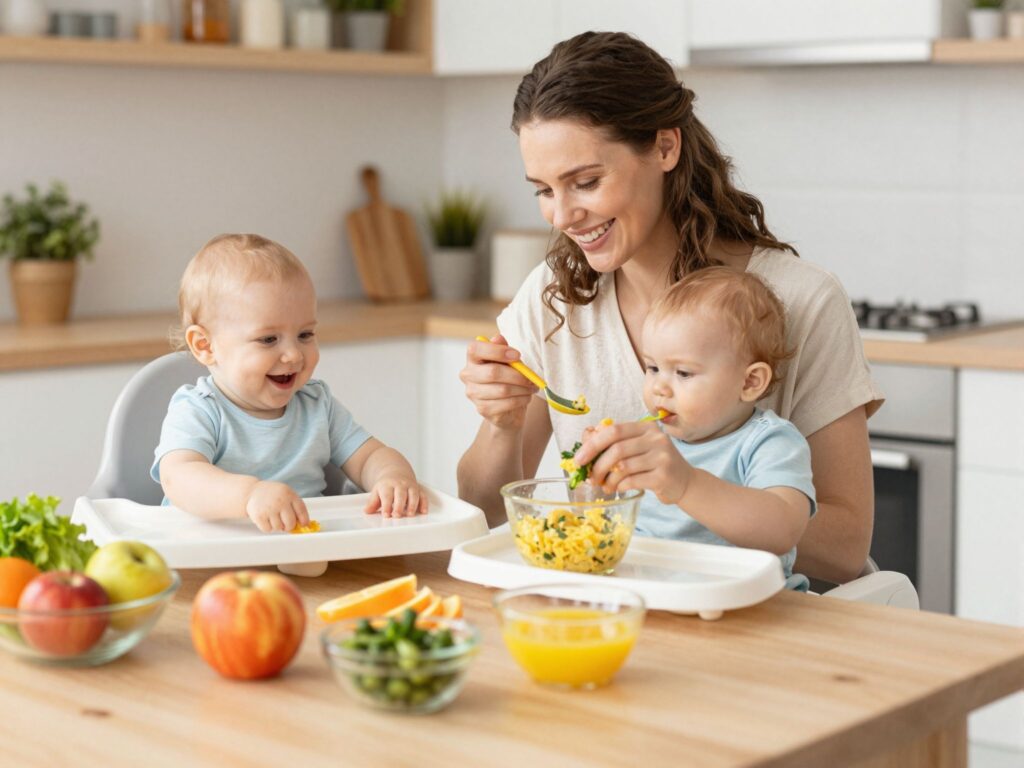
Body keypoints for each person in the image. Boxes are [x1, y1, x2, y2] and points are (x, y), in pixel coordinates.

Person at [458, 31, 882, 585]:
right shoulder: (553, 298)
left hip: (775, 625)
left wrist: (684, 488)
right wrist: (501, 426)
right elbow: (486, 512)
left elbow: (848, 548)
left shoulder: (801, 300)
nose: (562, 216)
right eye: (543, 190)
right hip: (618, 612)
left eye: (585, 182)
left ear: (664, 148)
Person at [152, 233, 427, 532]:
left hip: (302, 547)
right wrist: (249, 496)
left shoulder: (317, 405)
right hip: (214, 553)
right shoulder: (199, 410)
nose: (294, 354)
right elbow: (179, 478)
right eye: (268, 339)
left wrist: (393, 478)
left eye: (305, 334)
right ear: (205, 345)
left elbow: (370, 456)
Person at [569, 267, 816, 589]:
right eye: (653, 368)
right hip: (648, 596)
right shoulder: (650, 443)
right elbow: (599, 526)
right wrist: (594, 482)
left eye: (683, 373)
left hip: (749, 608)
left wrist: (686, 485)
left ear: (750, 382)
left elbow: (782, 530)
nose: (659, 387)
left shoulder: (768, 441)